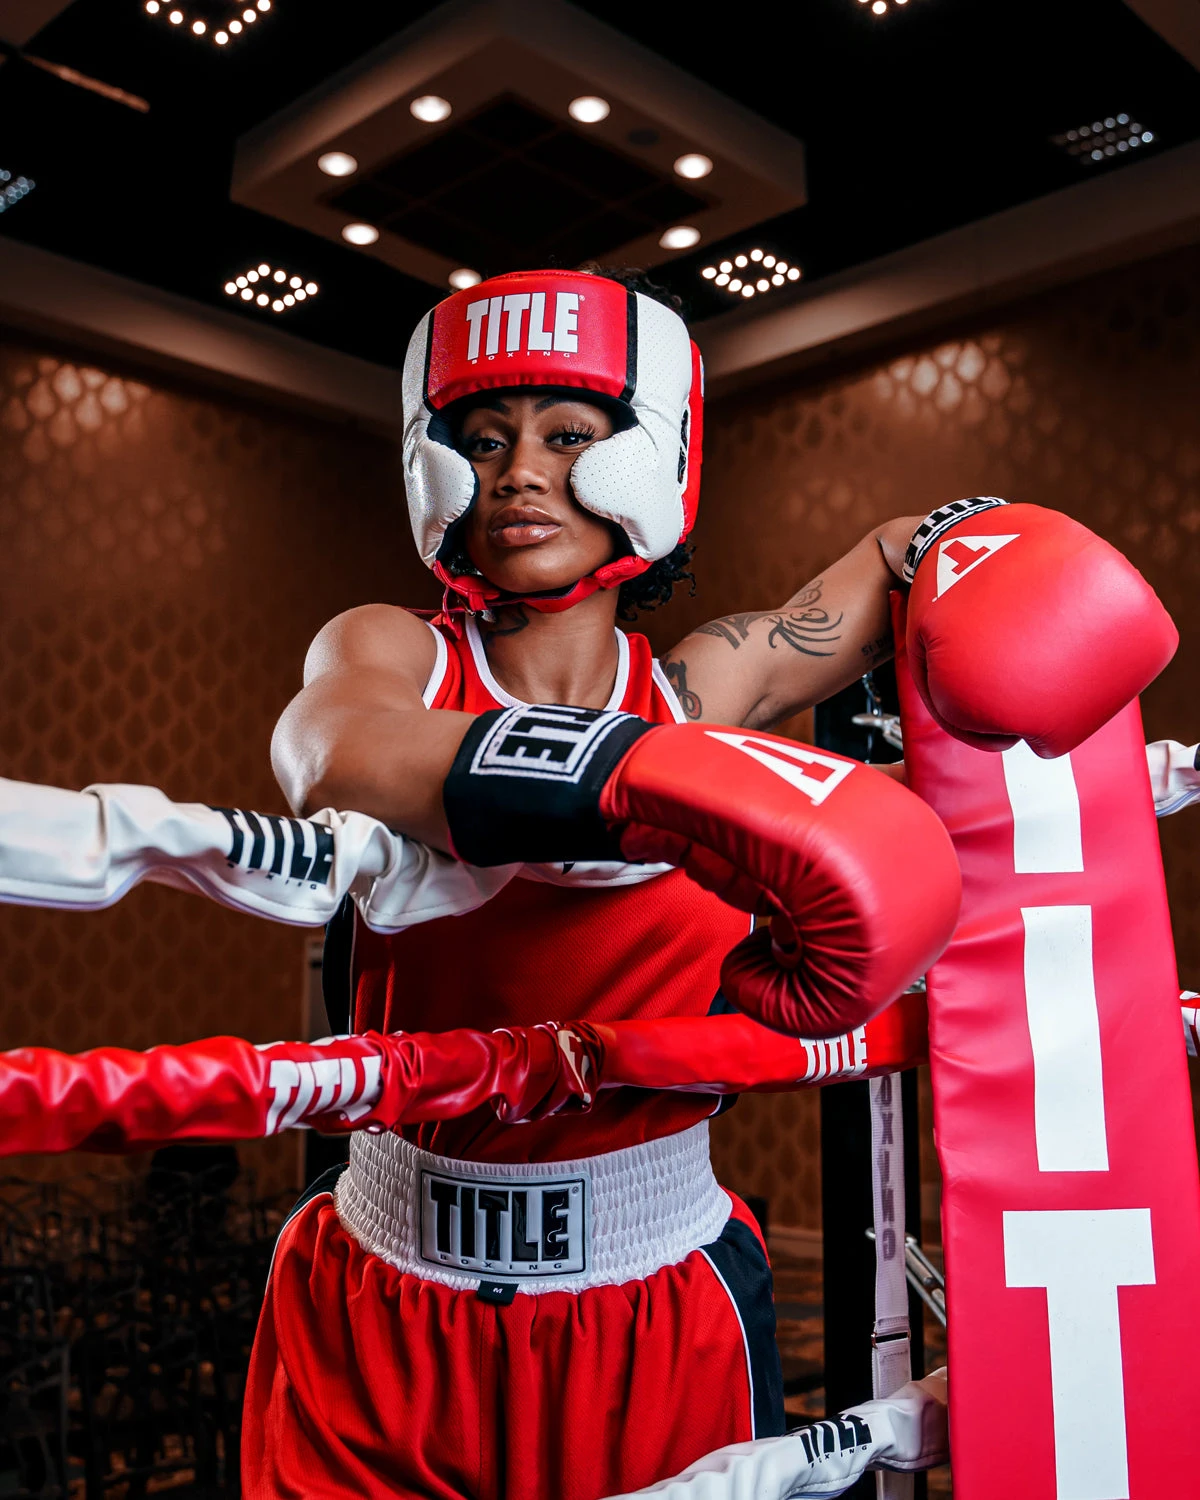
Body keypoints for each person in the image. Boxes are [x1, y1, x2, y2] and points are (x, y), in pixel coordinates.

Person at [249, 264, 1175, 1499]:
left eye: (570, 435)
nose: (520, 469)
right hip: (387, 1286)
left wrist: (978, 539)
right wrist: (659, 781)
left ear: (646, 461)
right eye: (484, 438)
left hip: (651, 1293)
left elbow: (902, 555)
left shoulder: (700, 689)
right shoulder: (398, 649)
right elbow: (329, 750)